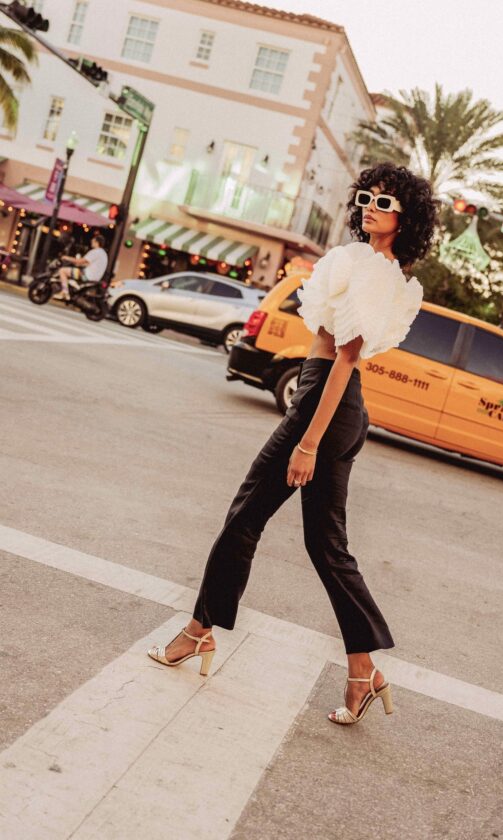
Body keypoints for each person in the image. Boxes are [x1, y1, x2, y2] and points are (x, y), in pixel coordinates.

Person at [148, 163, 438, 725]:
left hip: (326, 404)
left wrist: (307, 442)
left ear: (407, 218)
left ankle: (197, 632)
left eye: (385, 201)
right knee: (324, 544)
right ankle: (363, 672)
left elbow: (346, 358)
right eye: (365, 197)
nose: (370, 206)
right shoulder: (363, 263)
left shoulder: (376, 271)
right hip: (332, 401)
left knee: (243, 519)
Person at [56, 233, 108, 300]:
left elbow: (79, 261)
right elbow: (87, 263)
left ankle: (64, 292)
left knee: (62, 271)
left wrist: (66, 258)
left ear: (97, 242)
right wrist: (78, 264)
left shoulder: (95, 251)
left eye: (93, 241)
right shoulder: (103, 253)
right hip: (95, 278)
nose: (91, 243)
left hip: (86, 275)